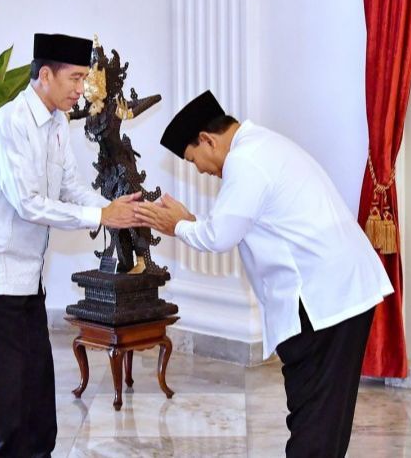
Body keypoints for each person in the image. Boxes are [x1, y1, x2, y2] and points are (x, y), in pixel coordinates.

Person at [136, 90, 394, 457]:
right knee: (324, 412)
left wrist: (177, 226)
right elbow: (236, 225)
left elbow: (219, 237)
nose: (204, 171)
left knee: (314, 413)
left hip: (321, 301)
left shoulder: (246, 161)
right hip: (340, 293)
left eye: (196, 160)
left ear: (208, 139)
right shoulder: (262, 146)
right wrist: (190, 222)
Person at [0, 33, 142, 457]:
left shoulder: (58, 122)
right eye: (75, 78)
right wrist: (100, 216)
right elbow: (28, 203)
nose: (81, 90)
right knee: (9, 396)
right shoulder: (10, 122)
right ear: (45, 75)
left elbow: (71, 187)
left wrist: (114, 209)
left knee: (38, 391)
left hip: (28, 275)